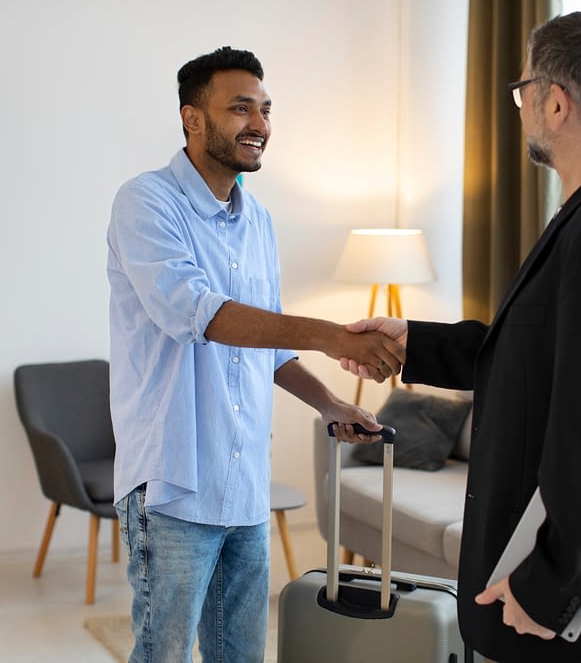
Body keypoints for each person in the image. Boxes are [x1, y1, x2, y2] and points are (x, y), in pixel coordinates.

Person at [343, 11, 581, 663]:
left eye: (523, 91)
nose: (520, 108)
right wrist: (410, 341)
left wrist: (547, 586)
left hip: (579, 619)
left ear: (555, 102)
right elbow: (537, 352)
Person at [106, 46, 403, 662]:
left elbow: (264, 348)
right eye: (240, 108)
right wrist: (332, 335)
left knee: (239, 655)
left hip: (243, 489)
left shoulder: (259, 221)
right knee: (161, 654)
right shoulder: (146, 202)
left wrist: (327, 403)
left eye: (265, 110)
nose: (260, 125)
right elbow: (198, 315)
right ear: (192, 118)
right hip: (173, 485)